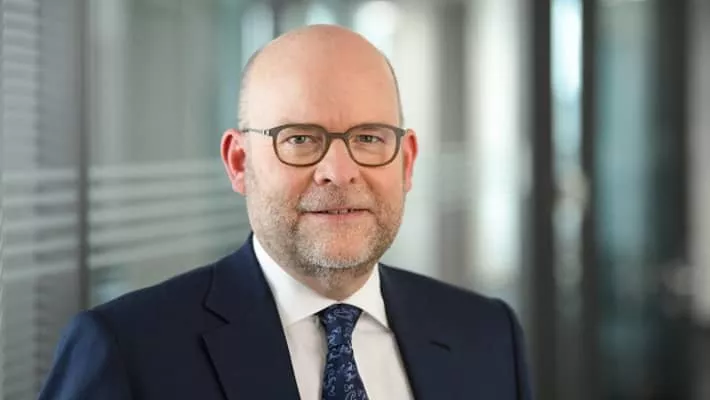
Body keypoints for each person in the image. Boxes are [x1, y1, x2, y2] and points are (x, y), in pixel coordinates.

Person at [38, 25, 531, 400]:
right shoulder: (128, 352)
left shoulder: (488, 334)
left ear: (406, 162)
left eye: (368, 138)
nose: (339, 172)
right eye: (299, 139)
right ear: (239, 163)